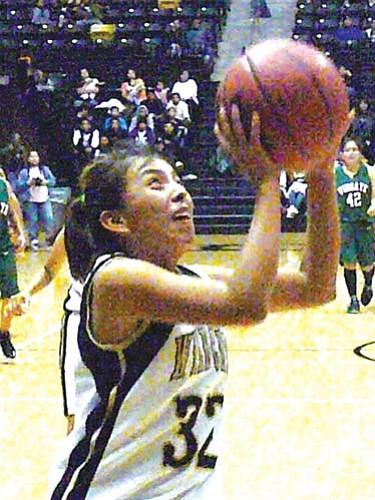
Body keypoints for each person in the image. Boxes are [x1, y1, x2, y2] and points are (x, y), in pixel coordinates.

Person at [47, 105, 346, 498]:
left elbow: (316, 286)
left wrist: (320, 171)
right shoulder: (115, 280)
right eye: (155, 183)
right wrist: (267, 178)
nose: (179, 191)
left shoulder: (196, 280)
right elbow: (246, 305)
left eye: (176, 180)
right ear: (116, 220)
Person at [11, 229, 81, 433]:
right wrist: (28, 291)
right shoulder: (76, 224)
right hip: (78, 321)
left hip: (121, 323)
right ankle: (74, 462)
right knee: (75, 414)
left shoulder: (134, 222)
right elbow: (50, 269)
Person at [335, 138, 375, 313]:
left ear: (360, 154)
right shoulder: (335, 174)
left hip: (365, 224)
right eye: (347, 150)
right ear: (342, 155)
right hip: (345, 225)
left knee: (367, 264)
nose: (351, 153)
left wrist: (374, 204)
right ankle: (353, 300)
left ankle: (368, 284)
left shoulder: (370, 172)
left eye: (354, 149)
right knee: (349, 263)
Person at [0, 170, 26, 358]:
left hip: (4, 248)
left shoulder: (3, 186)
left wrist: (21, 233)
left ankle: (3, 333)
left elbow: (14, 211)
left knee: (9, 296)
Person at [17, 150, 56, 251]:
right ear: (28, 159)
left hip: (44, 198)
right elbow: (18, 187)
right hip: (31, 199)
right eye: (32, 157)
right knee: (32, 220)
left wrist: (45, 182)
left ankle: (49, 239)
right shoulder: (24, 172)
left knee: (48, 218)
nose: (34, 159)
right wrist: (28, 183)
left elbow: (53, 181)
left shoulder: (45, 170)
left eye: (36, 156)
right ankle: (33, 240)